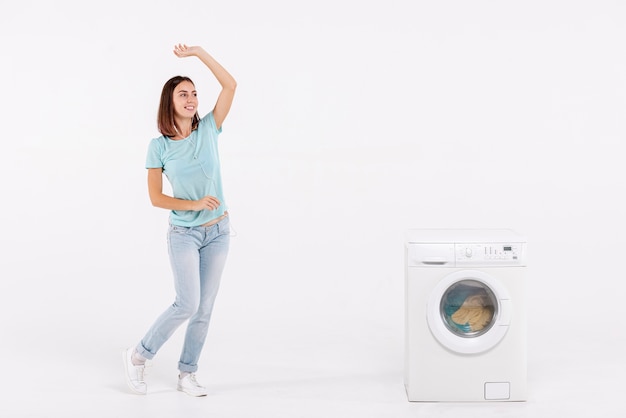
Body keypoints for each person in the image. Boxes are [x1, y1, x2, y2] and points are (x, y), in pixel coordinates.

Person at [123, 44, 237, 397]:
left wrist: (199, 54)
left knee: (204, 308)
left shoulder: (209, 129)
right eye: (182, 94)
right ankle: (139, 356)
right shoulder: (159, 146)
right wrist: (194, 203)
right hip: (184, 235)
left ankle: (187, 372)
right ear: (169, 102)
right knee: (186, 303)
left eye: (194, 93)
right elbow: (156, 198)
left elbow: (230, 85)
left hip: (219, 231)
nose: (191, 99)